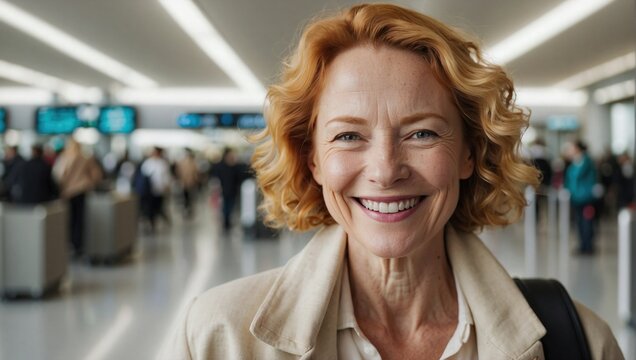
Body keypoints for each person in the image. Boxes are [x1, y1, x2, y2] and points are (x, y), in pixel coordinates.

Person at [161, 4, 623, 359]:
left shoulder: (581, 342)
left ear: (468, 151)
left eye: (421, 132)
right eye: (348, 135)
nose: (385, 169)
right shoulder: (218, 337)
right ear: (314, 160)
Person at [53, 138, 102, 256]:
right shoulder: (86, 158)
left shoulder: (64, 158)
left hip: (68, 193)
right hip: (82, 191)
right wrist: (90, 183)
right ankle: (78, 244)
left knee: (69, 219)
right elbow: (97, 175)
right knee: (80, 220)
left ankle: (68, 242)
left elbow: (58, 175)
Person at [564, 140, 599, 255]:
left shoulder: (586, 161)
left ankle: (588, 245)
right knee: (579, 222)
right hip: (576, 198)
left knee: (587, 221)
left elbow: (580, 177)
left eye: (571, 148)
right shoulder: (575, 162)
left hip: (586, 198)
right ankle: (582, 244)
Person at [210, 148, 247, 229]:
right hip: (223, 190)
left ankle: (228, 220)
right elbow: (215, 177)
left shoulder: (236, 166)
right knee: (224, 206)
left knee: (231, 205)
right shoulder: (220, 166)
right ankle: (226, 221)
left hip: (232, 190)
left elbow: (241, 176)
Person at [140, 147, 172, 231]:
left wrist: (166, 186)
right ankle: (152, 223)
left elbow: (166, 177)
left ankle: (163, 219)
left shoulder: (162, 163)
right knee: (150, 208)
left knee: (159, 206)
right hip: (149, 190)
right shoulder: (147, 163)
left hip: (160, 190)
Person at [175, 148, 200, 218]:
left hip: (189, 182)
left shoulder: (189, 162)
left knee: (188, 196)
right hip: (186, 182)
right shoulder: (187, 162)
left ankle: (188, 208)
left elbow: (195, 173)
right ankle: (187, 208)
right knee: (186, 196)